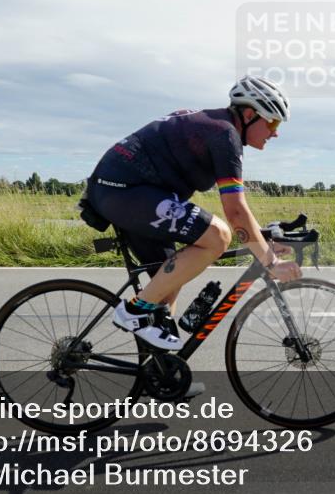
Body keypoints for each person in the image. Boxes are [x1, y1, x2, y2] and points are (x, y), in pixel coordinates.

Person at [84, 75, 303, 352]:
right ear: (249, 114)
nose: (275, 132)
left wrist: (260, 237)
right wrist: (270, 262)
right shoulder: (224, 134)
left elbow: (240, 211)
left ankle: (161, 375)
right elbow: (235, 212)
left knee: (167, 286)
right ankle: (132, 312)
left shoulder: (218, 126)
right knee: (217, 236)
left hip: (132, 194)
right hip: (123, 191)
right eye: (272, 122)